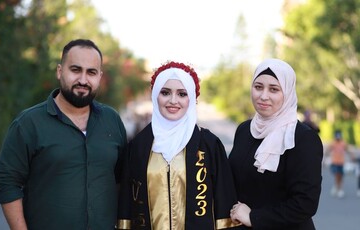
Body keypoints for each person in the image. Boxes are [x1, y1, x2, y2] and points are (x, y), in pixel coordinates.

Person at [0, 39, 127, 230]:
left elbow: (122, 178)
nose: (83, 80)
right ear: (59, 71)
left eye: (91, 72)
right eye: (75, 69)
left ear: (100, 76)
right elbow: (7, 183)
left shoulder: (112, 120)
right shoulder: (29, 123)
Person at [116, 61, 242, 229]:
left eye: (182, 94)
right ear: (155, 96)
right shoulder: (137, 147)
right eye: (165, 93)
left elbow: (224, 204)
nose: (173, 101)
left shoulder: (209, 145)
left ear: (192, 98)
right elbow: (126, 206)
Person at [229, 58, 323, 229]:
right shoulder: (244, 130)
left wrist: (254, 217)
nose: (264, 96)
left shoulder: (302, 138)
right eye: (258, 87)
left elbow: (305, 204)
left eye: (274, 89)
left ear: (287, 93)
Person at [325, 130, 356, 198]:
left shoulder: (343, 143)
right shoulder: (333, 143)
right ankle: (339, 189)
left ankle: (337, 187)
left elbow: (347, 150)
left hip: (341, 162)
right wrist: (325, 156)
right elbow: (328, 149)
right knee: (337, 175)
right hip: (335, 162)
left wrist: (352, 156)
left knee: (341, 176)